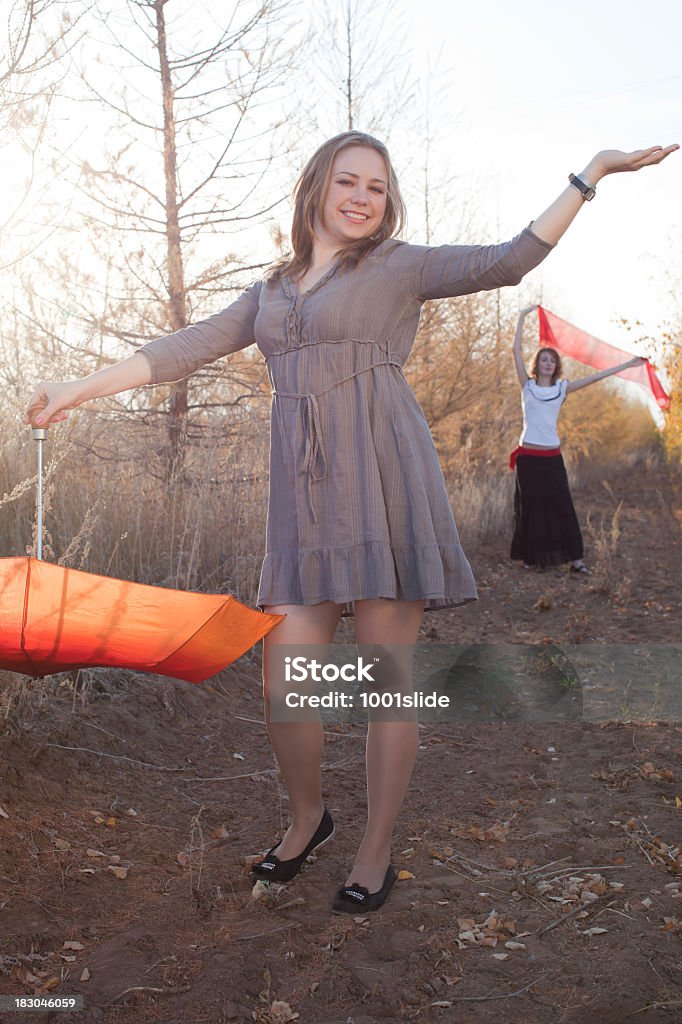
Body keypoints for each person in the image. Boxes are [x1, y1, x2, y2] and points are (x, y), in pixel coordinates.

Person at [25, 132, 678, 913]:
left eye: (377, 185)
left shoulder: (400, 267)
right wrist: (75, 389)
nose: (364, 196)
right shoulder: (270, 292)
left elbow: (509, 260)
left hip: (387, 480)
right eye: (349, 182)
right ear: (317, 190)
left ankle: (377, 847)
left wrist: (592, 174)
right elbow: (183, 349)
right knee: (286, 682)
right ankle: (310, 819)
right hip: (303, 504)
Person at [510, 306, 646, 573]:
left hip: (551, 458)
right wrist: (522, 318)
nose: (547, 363)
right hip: (527, 457)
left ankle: (577, 561)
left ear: (556, 366)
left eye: (551, 360)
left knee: (562, 504)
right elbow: (515, 351)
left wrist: (629, 365)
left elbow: (596, 377)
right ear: (536, 365)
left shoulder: (562, 389)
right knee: (532, 506)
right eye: (543, 360)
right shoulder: (527, 386)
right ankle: (535, 559)